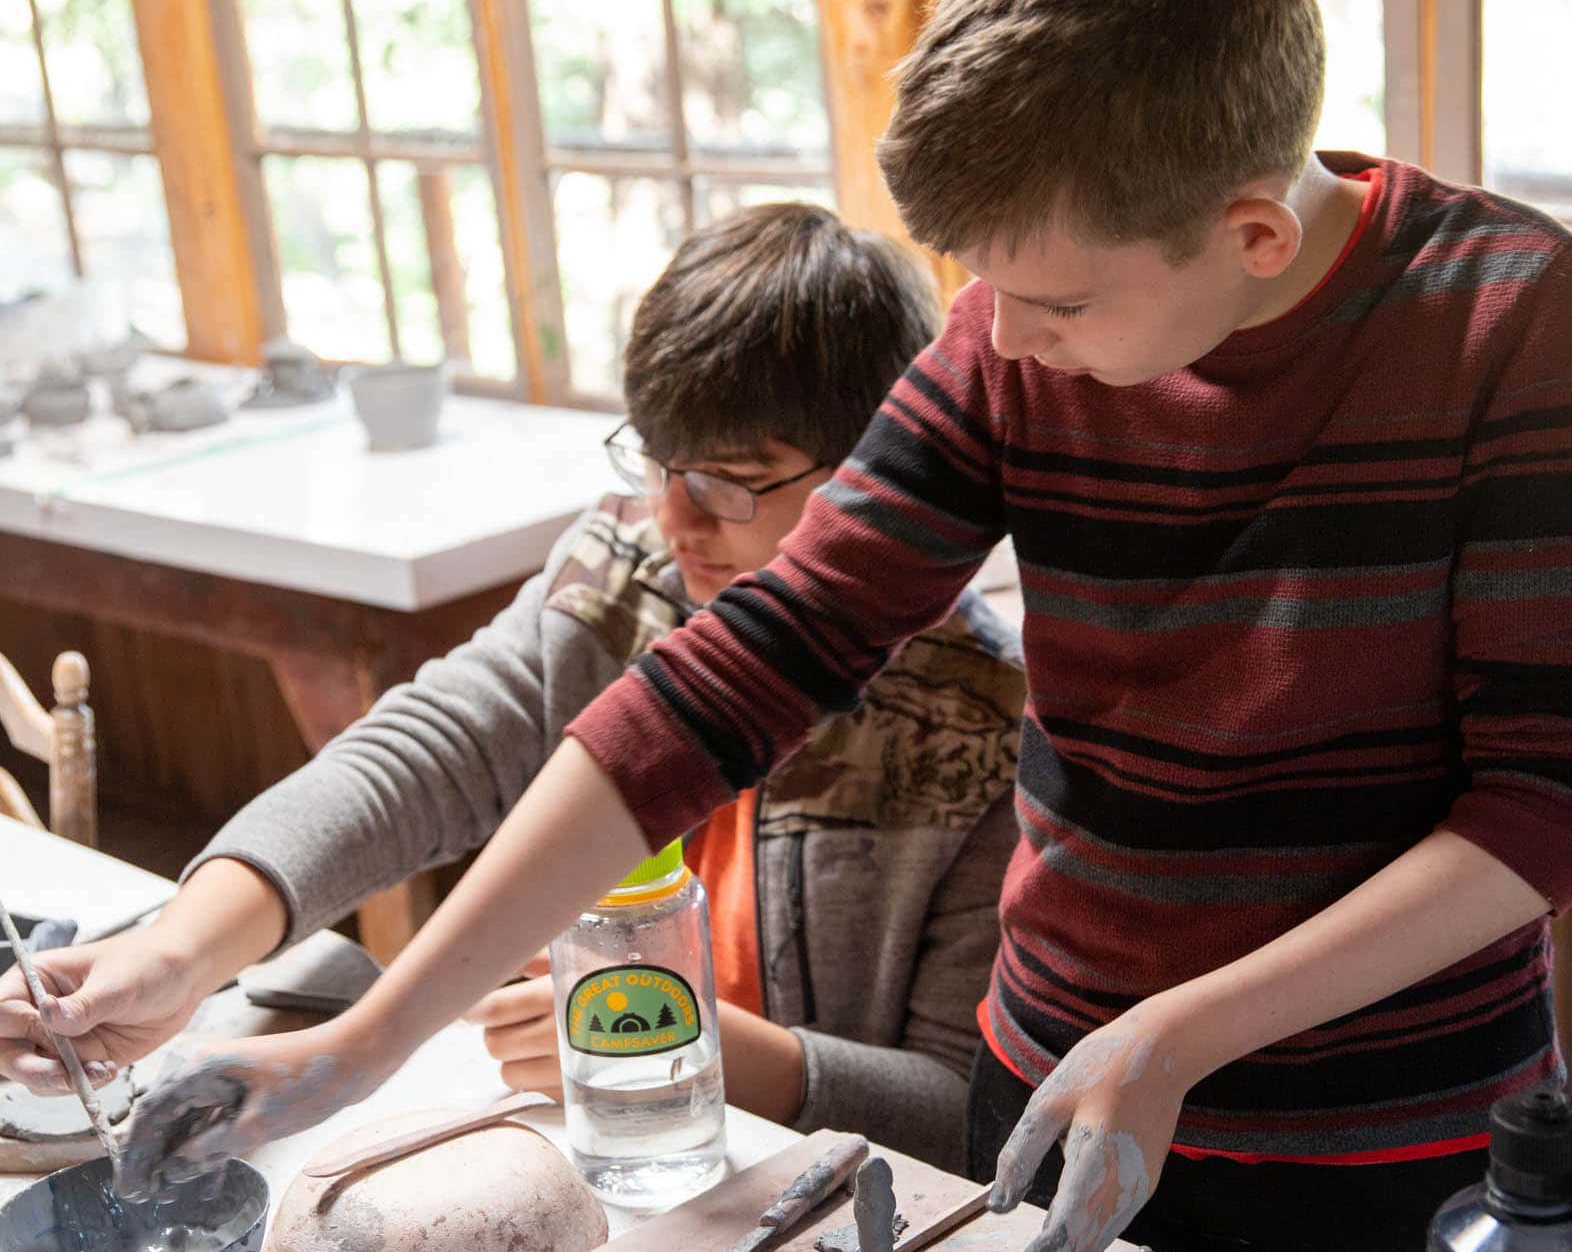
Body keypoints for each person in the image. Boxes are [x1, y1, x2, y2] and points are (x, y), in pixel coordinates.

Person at [16, 0, 1572, 1252]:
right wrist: (371, 1042)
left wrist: (1178, 1035)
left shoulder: (1505, 319)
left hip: (1379, 1140)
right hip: (1054, 1084)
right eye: (985, 287)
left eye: (1058, 299)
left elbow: (1547, 801)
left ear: (1246, 229)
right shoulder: (1011, 334)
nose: (1001, 337)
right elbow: (731, 676)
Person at [0, 203, 1024, 1173]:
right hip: (605, 1149)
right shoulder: (628, 571)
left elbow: (962, 1113)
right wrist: (179, 949)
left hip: (810, 1194)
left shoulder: (982, 723)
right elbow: (417, 759)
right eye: (654, 462)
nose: (674, 520)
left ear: (875, 474)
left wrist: (696, 1037)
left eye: (723, 482)